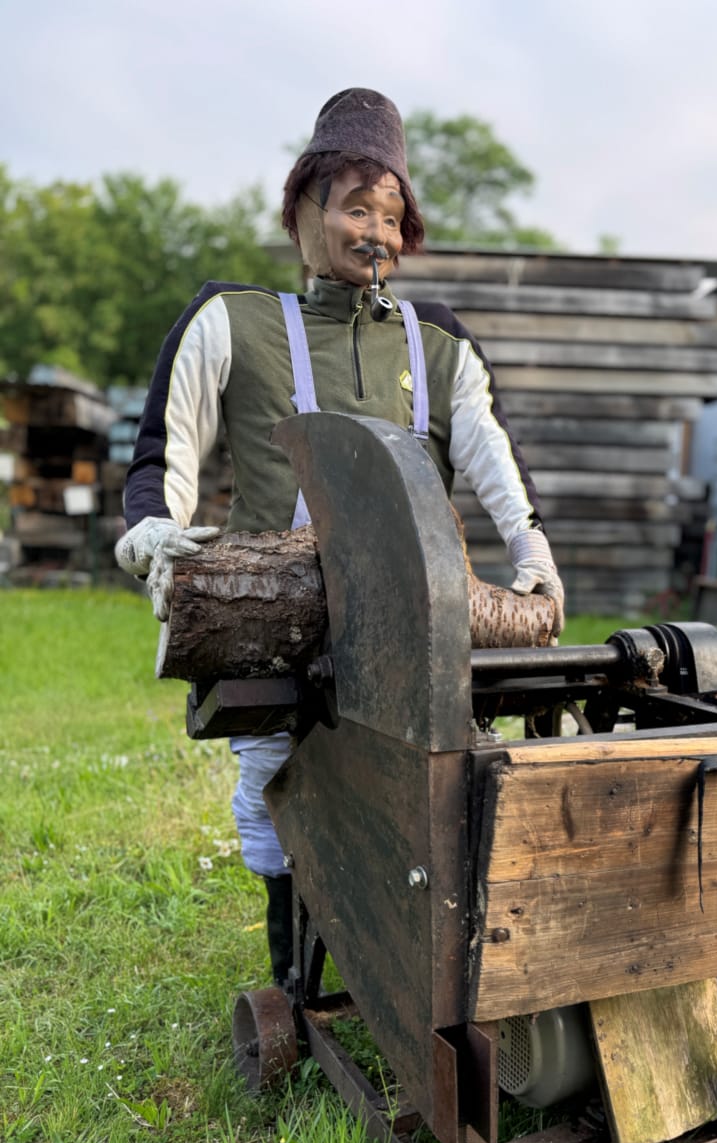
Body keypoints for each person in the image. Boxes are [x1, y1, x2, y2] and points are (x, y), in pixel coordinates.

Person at [116, 87, 564, 987]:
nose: (376, 235)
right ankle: (299, 981)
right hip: (275, 617)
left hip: (415, 625)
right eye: (357, 208)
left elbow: (494, 461)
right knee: (275, 788)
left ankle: (423, 966)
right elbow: (163, 454)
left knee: (428, 789)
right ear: (302, 213)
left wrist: (534, 559)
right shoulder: (232, 322)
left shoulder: (438, 346)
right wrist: (154, 533)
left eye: (392, 217)